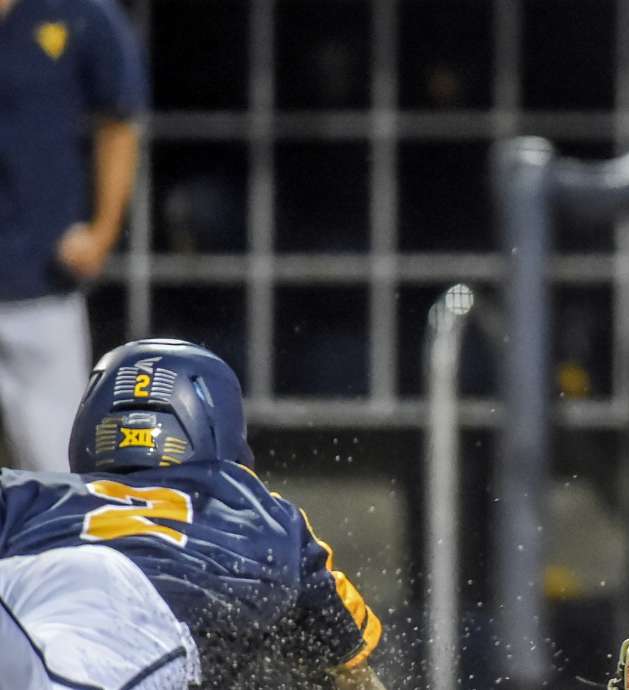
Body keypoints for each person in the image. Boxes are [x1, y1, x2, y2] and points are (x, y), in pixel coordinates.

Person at [0, 339, 385, 690]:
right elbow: (352, 669)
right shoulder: (257, 509)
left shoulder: (31, 491)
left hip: (24, 593)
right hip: (130, 627)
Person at [0, 0, 144, 472]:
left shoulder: (79, 11)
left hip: (41, 288)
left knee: (57, 475)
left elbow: (120, 118)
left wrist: (102, 233)